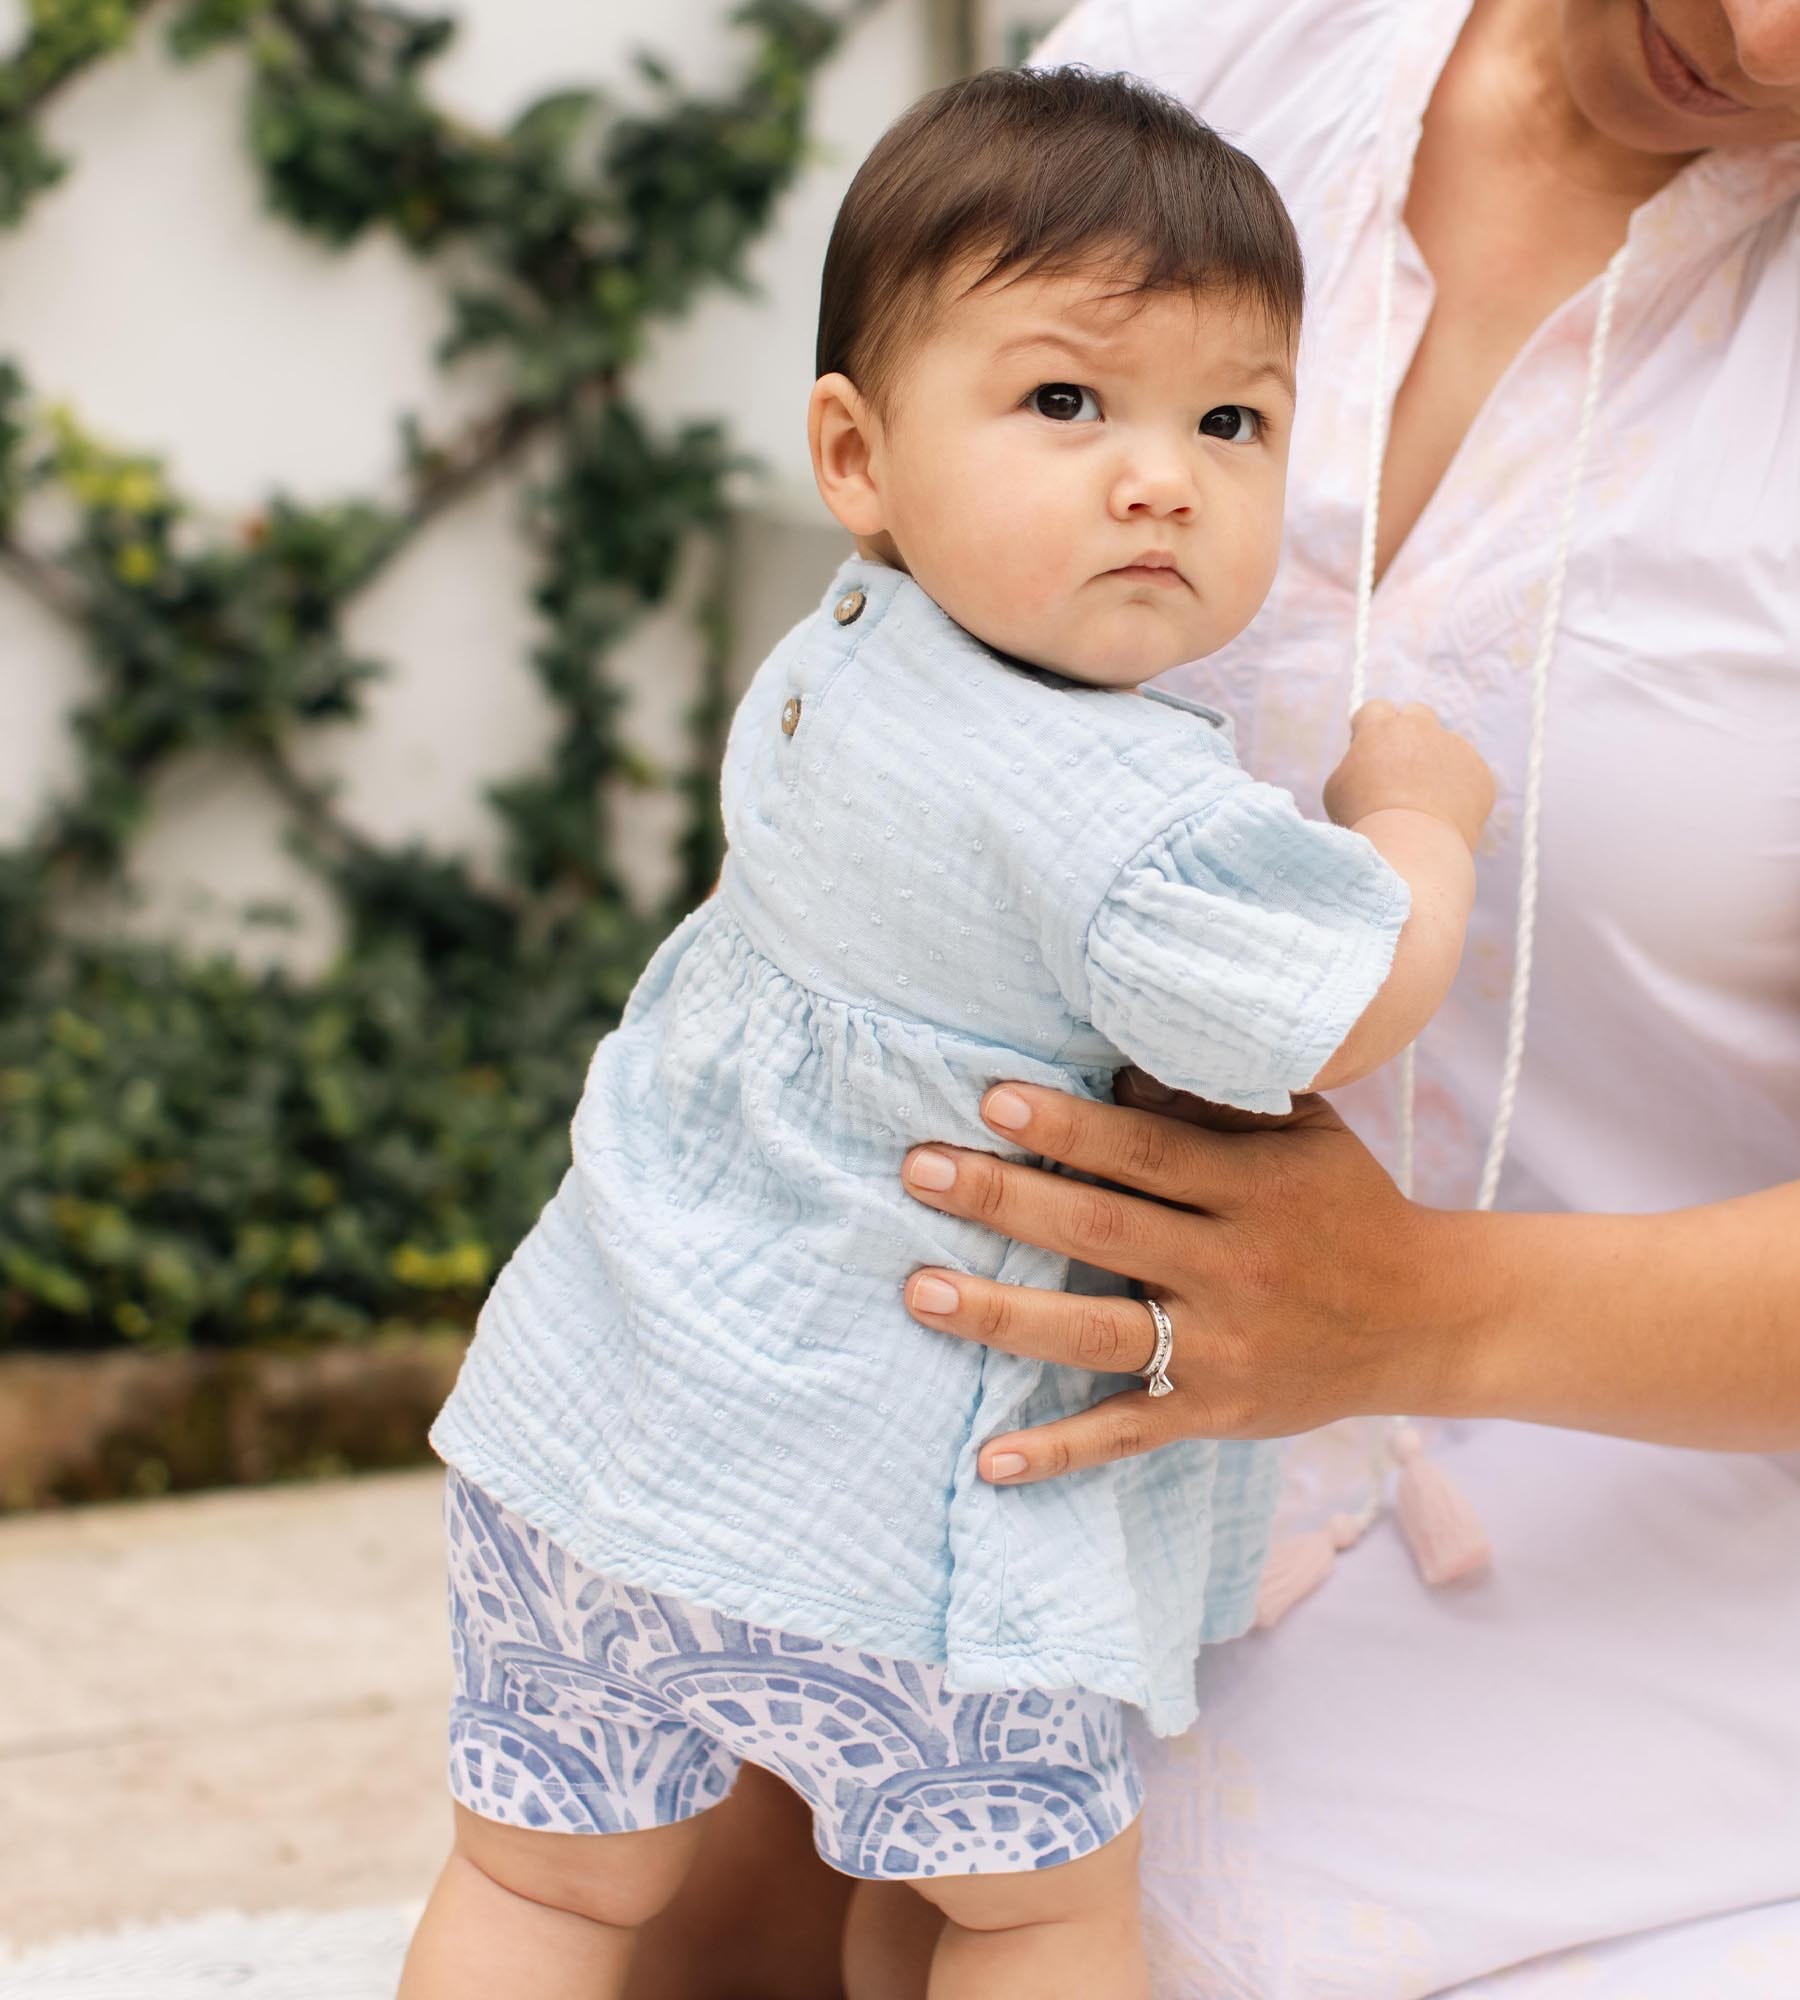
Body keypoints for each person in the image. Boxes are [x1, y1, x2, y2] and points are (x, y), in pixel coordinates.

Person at [618, 1, 1800, 1995]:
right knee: (658, 1866)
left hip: (1668, 1569)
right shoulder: (1198, 67)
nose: (1763, 38)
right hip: (988, 1444)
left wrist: (1427, 1309)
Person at [399, 63, 1500, 2000]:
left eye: (1230, 418)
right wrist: (1421, 822)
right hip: (915, 1527)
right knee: (1034, 1913)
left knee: (550, 1890)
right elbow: (1340, 1003)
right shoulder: (1129, 820)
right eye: (1067, 400)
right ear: (859, 452)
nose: (1159, 473)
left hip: (610, 1426)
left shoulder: (837, 654)